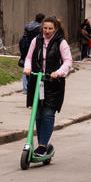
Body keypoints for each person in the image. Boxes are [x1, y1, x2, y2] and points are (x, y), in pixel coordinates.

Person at [22, 16, 73, 155]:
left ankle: (43, 146)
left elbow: (68, 61)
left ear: (55, 29)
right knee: (37, 114)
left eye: (50, 28)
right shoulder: (36, 40)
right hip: (37, 82)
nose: (47, 31)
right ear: (41, 28)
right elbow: (28, 57)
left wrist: (58, 72)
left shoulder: (60, 42)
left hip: (53, 84)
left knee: (48, 114)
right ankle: (41, 144)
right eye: (45, 28)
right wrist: (27, 68)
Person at [19, 14, 45, 94]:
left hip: (26, 50)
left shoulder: (28, 26)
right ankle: (39, 93)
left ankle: (25, 88)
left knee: (26, 68)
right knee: (38, 71)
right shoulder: (39, 29)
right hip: (36, 51)